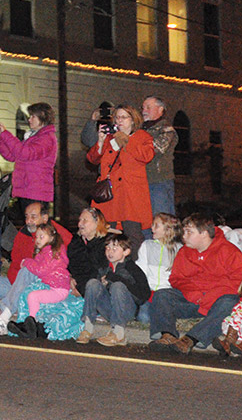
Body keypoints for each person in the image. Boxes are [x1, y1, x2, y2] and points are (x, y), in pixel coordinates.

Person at [0, 201, 72, 334]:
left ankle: (4, 316)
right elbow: (15, 262)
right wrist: (15, 287)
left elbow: (61, 262)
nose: (29, 221)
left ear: (45, 218)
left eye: (33, 217)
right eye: (26, 217)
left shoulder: (57, 236)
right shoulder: (23, 233)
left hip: (37, 286)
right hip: (15, 284)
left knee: (27, 270)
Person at [146, 214, 242, 355]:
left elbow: (238, 282)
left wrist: (208, 296)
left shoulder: (229, 251)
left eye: (189, 232)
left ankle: (190, 339)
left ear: (204, 233)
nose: (184, 236)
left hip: (214, 303)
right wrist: (193, 293)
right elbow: (176, 278)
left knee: (231, 302)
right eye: (184, 231)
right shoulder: (184, 251)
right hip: (192, 300)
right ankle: (168, 335)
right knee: (162, 295)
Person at [85, 104, 154, 254]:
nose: (119, 120)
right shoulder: (110, 137)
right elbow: (92, 158)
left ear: (133, 120)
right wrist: (101, 142)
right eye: (117, 117)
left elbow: (146, 156)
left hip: (130, 196)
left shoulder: (143, 137)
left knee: (132, 235)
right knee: (106, 234)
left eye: (124, 117)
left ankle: (134, 267)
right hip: (110, 195)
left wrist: (127, 140)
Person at [78, 234, 149, 346]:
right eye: (108, 248)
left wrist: (116, 279)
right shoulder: (104, 268)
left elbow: (143, 296)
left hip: (126, 311)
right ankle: (88, 328)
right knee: (93, 283)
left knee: (117, 286)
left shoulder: (132, 268)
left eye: (115, 249)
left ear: (126, 252)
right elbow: (92, 291)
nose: (110, 252)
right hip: (110, 310)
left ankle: (119, 333)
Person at [0, 102, 57, 221]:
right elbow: (11, 156)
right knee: (29, 229)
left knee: (36, 229)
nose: (29, 119)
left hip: (36, 193)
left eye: (33, 116)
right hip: (27, 191)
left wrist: (6, 135)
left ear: (43, 117)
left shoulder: (46, 138)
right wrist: (0, 137)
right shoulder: (33, 137)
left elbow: (24, 153)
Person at [7, 223, 70, 339]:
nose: (38, 240)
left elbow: (41, 270)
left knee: (33, 297)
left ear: (51, 238)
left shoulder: (51, 252)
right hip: (53, 286)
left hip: (57, 289)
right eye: (37, 236)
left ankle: (31, 322)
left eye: (42, 237)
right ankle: (27, 322)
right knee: (29, 295)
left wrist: (27, 262)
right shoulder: (47, 252)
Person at [136, 212, 183, 323]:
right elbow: (141, 269)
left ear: (168, 229)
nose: (152, 228)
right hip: (149, 292)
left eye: (156, 226)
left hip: (167, 294)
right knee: (144, 318)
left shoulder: (179, 249)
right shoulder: (147, 245)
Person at [140, 96, 177, 216]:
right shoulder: (140, 129)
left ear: (160, 109)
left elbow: (155, 149)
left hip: (159, 182)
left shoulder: (166, 130)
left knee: (161, 220)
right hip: (140, 182)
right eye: (143, 107)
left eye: (148, 107)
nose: (144, 111)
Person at [68, 207, 110, 297]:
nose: (79, 224)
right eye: (80, 220)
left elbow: (101, 272)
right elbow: (67, 263)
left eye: (85, 220)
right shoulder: (76, 241)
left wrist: (81, 290)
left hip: (94, 291)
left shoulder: (106, 244)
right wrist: (69, 277)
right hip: (71, 286)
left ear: (97, 222)